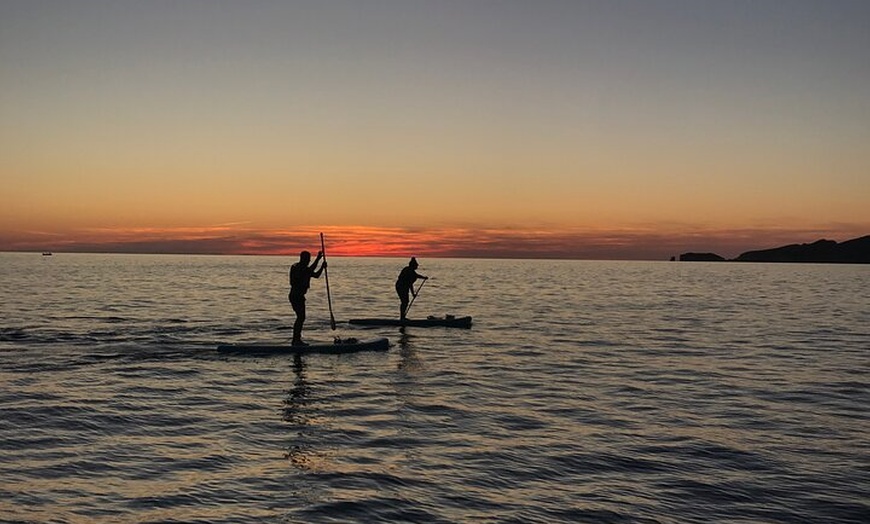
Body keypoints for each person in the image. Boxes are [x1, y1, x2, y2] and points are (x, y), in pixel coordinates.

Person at [289, 250, 326, 346]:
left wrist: (320, 263)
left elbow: (313, 272)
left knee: (301, 317)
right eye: (308, 259)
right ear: (303, 259)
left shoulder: (302, 268)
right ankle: (296, 340)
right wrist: (319, 263)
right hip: (296, 296)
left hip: (299, 296)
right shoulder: (298, 268)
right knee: (300, 317)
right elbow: (312, 272)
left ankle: (296, 339)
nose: (309, 261)